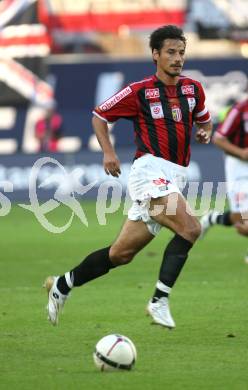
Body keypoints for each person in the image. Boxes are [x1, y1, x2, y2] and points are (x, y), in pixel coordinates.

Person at [44, 25, 212, 328]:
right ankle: (159, 300)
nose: (177, 59)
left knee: (120, 254)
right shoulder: (139, 91)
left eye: (181, 53)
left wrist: (204, 132)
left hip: (175, 175)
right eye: (171, 52)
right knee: (190, 229)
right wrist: (108, 152)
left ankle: (62, 285)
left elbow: (204, 120)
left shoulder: (193, 89)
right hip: (149, 172)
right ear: (155, 54)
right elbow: (99, 116)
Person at [200, 98, 248, 262]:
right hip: (240, 167)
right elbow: (219, 138)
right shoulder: (240, 110)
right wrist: (241, 153)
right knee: (243, 224)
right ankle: (212, 218)